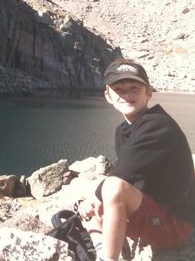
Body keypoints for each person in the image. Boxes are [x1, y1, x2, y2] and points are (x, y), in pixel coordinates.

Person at [76, 58, 195, 261]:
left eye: (134, 88)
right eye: (119, 89)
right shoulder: (123, 130)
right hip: (155, 208)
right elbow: (132, 177)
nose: (127, 95)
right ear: (107, 95)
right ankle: (101, 243)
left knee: (111, 189)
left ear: (148, 92)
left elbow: (122, 176)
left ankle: (107, 257)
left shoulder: (157, 124)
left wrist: (95, 197)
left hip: (178, 224)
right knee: (96, 209)